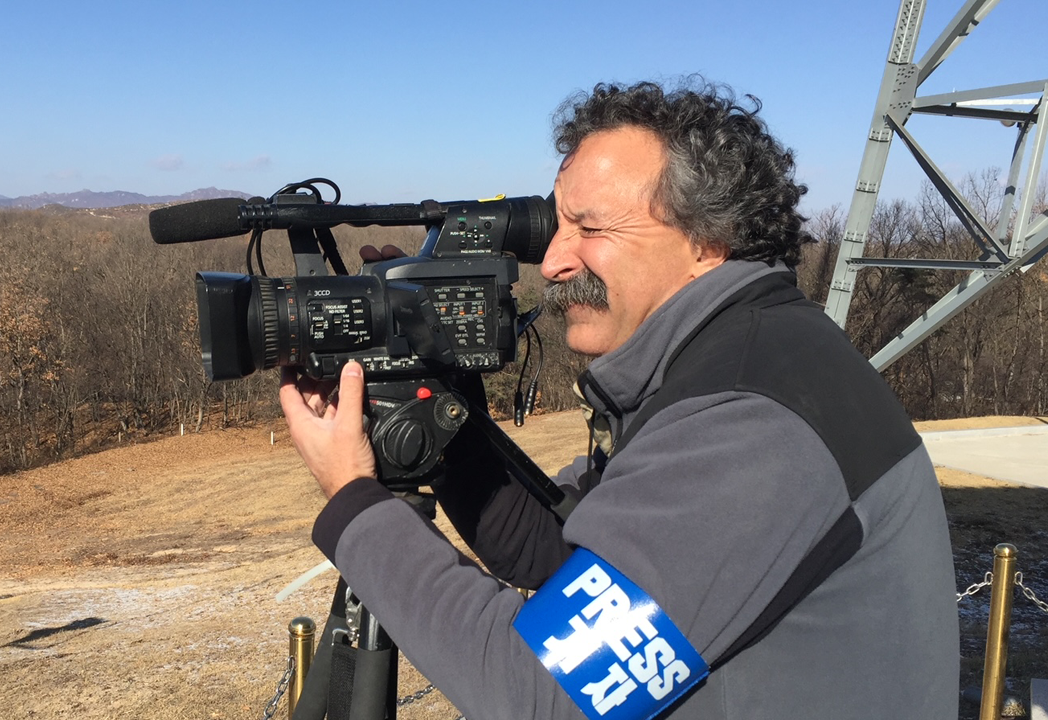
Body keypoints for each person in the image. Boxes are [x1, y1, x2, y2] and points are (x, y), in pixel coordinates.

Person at [279, 79, 958, 719]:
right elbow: (556, 553)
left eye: (590, 229)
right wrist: (441, 407)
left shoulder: (751, 422)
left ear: (707, 240)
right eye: (556, 228)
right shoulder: (731, 361)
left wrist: (354, 502)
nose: (551, 262)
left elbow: (540, 694)